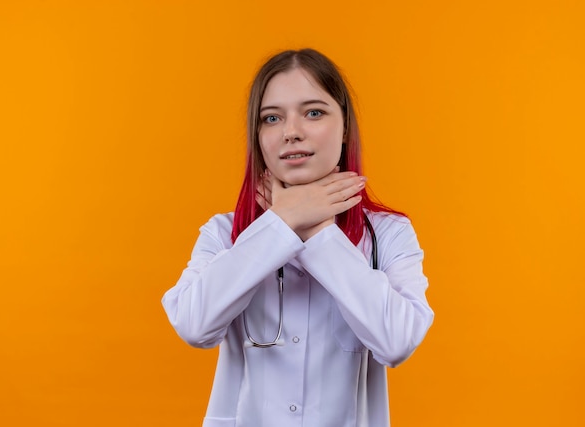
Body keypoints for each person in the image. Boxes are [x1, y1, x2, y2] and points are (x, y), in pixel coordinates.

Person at [162, 48, 434, 427]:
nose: (291, 132)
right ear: (258, 137)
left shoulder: (388, 234)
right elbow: (194, 325)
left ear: (344, 130)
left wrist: (316, 228)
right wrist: (281, 221)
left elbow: (397, 341)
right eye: (271, 118)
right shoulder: (226, 233)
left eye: (314, 112)